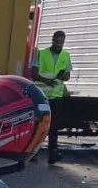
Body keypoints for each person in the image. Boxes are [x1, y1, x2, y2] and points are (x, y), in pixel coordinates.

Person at [29, 29, 71, 164]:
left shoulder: (65, 55)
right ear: (52, 40)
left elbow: (67, 75)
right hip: (42, 96)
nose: (59, 44)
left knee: (54, 127)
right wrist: (47, 81)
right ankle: (33, 152)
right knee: (39, 125)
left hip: (57, 97)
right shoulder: (41, 54)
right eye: (57, 41)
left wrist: (63, 76)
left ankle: (53, 154)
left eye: (61, 41)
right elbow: (33, 73)